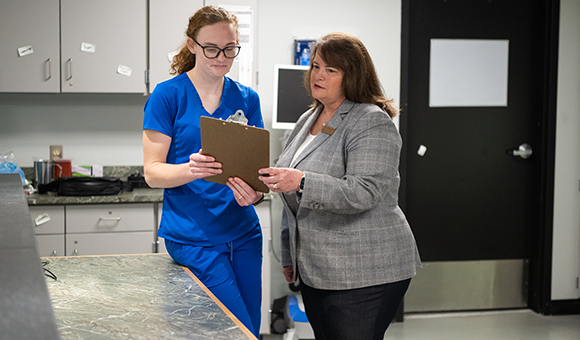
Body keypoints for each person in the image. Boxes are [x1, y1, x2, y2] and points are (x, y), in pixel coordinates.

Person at [258, 32, 422, 340]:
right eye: (316, 66)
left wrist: (302, 180)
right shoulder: (309, 117)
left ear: (352, 76)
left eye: (330, 70)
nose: (318, 76)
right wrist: (290, 254)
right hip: (318, 269)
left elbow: (364, 191)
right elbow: (290, 194)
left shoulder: (371, 121)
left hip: (366, 269)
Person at [142, 6, 265, 337]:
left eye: (230, 49)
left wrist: (255, 192)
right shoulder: (168, 96)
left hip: (243, 233)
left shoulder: (247, 98)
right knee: (234, 330)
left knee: (251, 327)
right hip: (195, 237)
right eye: (212, 48)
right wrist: (190, 170)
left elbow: (257, 172)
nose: (222, 57)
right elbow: (152, 173)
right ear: (192, 45)